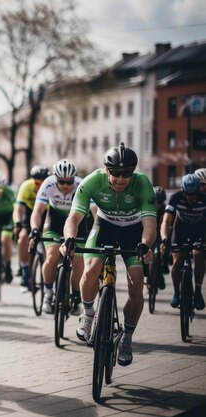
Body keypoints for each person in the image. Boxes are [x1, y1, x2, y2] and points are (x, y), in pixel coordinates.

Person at [60, 143, 156, 367]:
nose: (121, 179)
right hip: (105, 226)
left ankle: (127, 337)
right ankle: (89, 313)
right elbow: (73, 218)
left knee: (136, 284)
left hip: (133, 231)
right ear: (106, 170)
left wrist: (145, 245)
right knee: (92, 268)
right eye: (115, 174)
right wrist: (69, 239)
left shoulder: (142, 184)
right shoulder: (91, 181)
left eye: (126, 174)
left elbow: (150, 223)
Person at [28, 159, 92, 315]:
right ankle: (48, 294)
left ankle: (76, 296)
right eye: (61, 182)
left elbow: (95, 214)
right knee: (51, 256)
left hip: (77, 222)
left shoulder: (82, 185)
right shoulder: (48, 184)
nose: (65, 186)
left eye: (68, 182)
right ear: (55, 179)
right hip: (55, 222)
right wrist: (35, 230)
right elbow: (37, 211)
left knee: (78, 261)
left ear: (74, 179)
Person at [160, 174, 206, 310]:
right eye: (187, 194)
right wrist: (164, 238)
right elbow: (167, 221)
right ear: (182, 191)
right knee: (177, 260)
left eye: (193, 194)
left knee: (198, 255)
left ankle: (198, 292)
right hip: (179, 231)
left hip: (198, 231)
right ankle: (176, 293)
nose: (190, 197)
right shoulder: (175, 198)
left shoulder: (204, 200)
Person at [13, 165, 50, 291]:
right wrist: (17, 222)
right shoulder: (26, 186)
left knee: (48, 241)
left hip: (47, 213)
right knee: (23, 236)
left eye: (42, 182)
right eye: (36, 182)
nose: (38, 185)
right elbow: (18, 209)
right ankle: (24, 271)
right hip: (30, 212)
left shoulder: (51, 187)